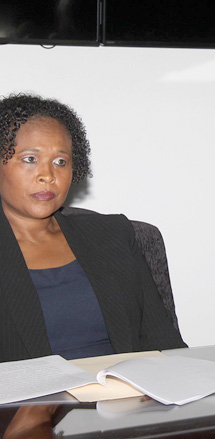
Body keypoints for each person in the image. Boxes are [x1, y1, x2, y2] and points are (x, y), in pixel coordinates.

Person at [0, 94, 186, 363]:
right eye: (30, 159)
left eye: (60, 162)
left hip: (125, 397)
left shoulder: (113, 235)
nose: (48, 175)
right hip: (29, 403)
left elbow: (165, 345)